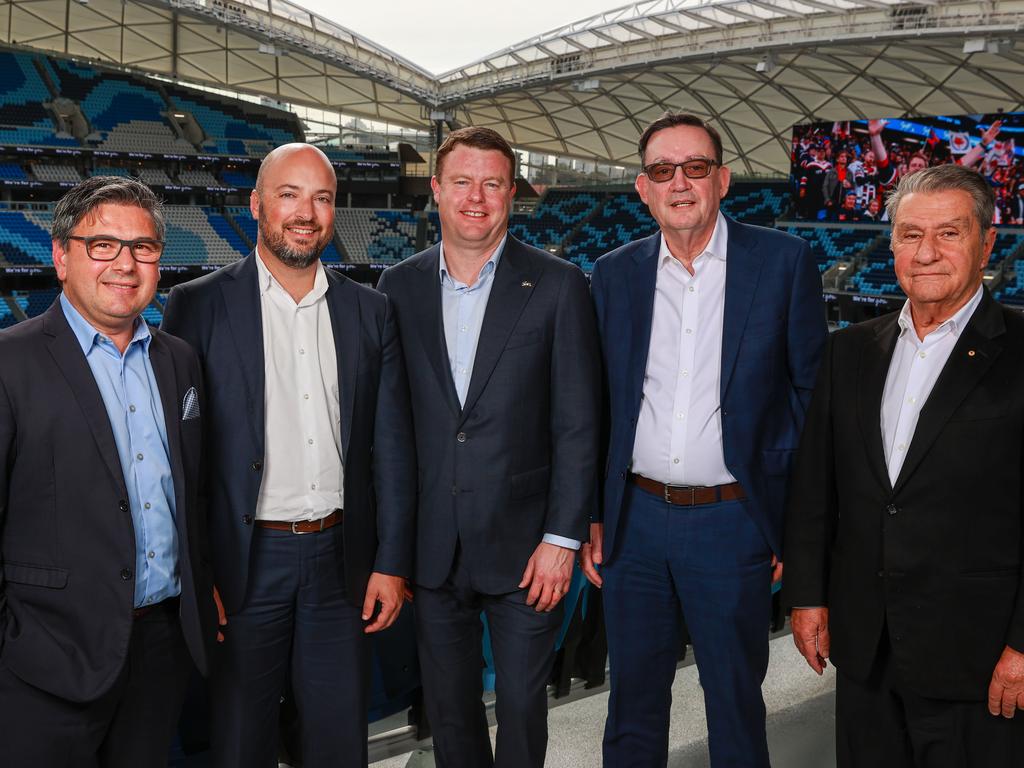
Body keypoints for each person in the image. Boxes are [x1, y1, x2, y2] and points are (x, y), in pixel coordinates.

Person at [583, 112, 827, 767]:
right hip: (635, 523)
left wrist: (783, 523)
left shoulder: (782, 263)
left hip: (732, 522)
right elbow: (598, 405)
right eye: (663, 171)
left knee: (734, 709)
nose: (680, 183)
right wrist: (595, 514)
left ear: (721, 179)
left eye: (695, 168)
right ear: (643, 188)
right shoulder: (613, 274)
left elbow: (811, 402)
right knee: (630, 711)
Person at [161, 143, 415, 768]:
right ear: (255, 205)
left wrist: (390, 561)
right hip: (245, 565)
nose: (307, 212)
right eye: (289, 194)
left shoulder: (370, 308)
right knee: (241, 743)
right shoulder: (197, 305)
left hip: (340, 561)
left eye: (322, 198)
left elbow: (391, 450)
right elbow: (182, 460)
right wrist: (200, 573)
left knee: (336, 743)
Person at [783, 163, 1024, 766]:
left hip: (980, 657)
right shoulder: (850, 350)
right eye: (911, 234)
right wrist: (807, 596)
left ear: (987, 242)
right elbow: (817, 487)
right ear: (891, 244)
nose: (927, 253)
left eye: (950, 233)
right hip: (868, 650)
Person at [376, 126, 600, 768]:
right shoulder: (398, 286)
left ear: (512, 194)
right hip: (433, 547)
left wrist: (562, 539)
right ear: (437, 192)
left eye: (493, 183)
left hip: (528, 547)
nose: (477, 197)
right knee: (449, 712)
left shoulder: (558, 285)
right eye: (463, 182)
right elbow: (393, 427)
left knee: (525, 714)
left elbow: (578, 422)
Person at [0, 176, 218, 765]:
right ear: (60, 255)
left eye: (142, 247)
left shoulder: (179, 360)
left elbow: (192, 493)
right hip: (44, 657)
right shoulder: (9, 362)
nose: (125, 263)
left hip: (160, 646)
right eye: (103, 245)